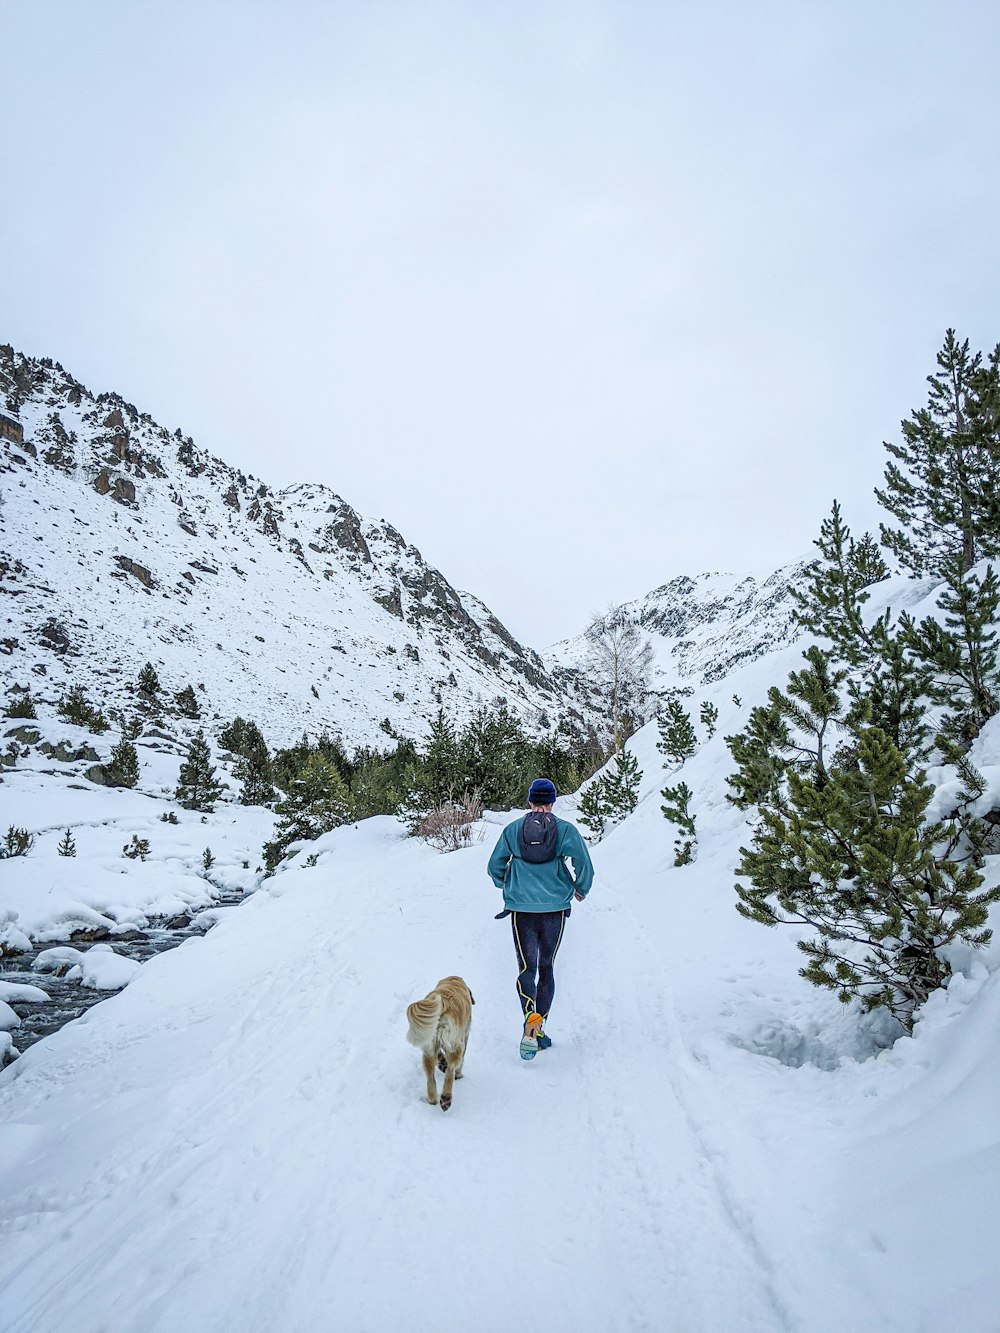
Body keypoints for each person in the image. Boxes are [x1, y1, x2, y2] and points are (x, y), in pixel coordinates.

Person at [487, 777, 595, 1059]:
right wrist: (581, 889)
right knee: (546, 966)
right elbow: (584, 864)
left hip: (521, 909)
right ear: (553, 802)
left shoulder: (512, 830)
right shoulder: (565, 830)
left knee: (527, 967)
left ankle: (528, 1017)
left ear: (530, 801)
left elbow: (493, 866)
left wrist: (507, 884)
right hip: (555, 908)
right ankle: (539, 1026)